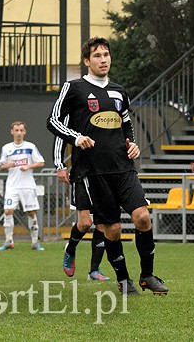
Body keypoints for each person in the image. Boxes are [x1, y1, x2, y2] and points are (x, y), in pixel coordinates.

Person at [47, 37, 167, 296]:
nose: (103, 59)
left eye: (106, 54)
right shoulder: (74, 87)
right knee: (111, 229)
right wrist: (76, 138)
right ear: (87, 61)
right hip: (93, 171)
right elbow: (53, 121)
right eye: (97, 55)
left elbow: (126, 123)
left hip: (123, 167)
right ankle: (124, 281)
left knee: (143, 218)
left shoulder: (119, 90)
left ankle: (147, 275)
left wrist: (132, 144)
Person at [55, 133, 111, 281]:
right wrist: (60, 166)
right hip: (82, 174)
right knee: (86, 222)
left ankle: (94, 270)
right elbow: (59, 135)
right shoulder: (76, 114)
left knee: (103, 224)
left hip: (105, 174)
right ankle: (70, 249)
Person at [0, 121, 45, 252]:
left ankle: (35, 242)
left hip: (28, 186)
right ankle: (8, 241)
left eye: (21, 130)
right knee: (8, 211)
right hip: (12, 186)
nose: (18, 133)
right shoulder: (6, 148)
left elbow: (41, 162)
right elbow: (1, 166)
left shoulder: (30, 146)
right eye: (16, 130)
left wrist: (28, 166)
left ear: (25, 132)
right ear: (12, 131)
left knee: (31, 212)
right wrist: (8, 165)